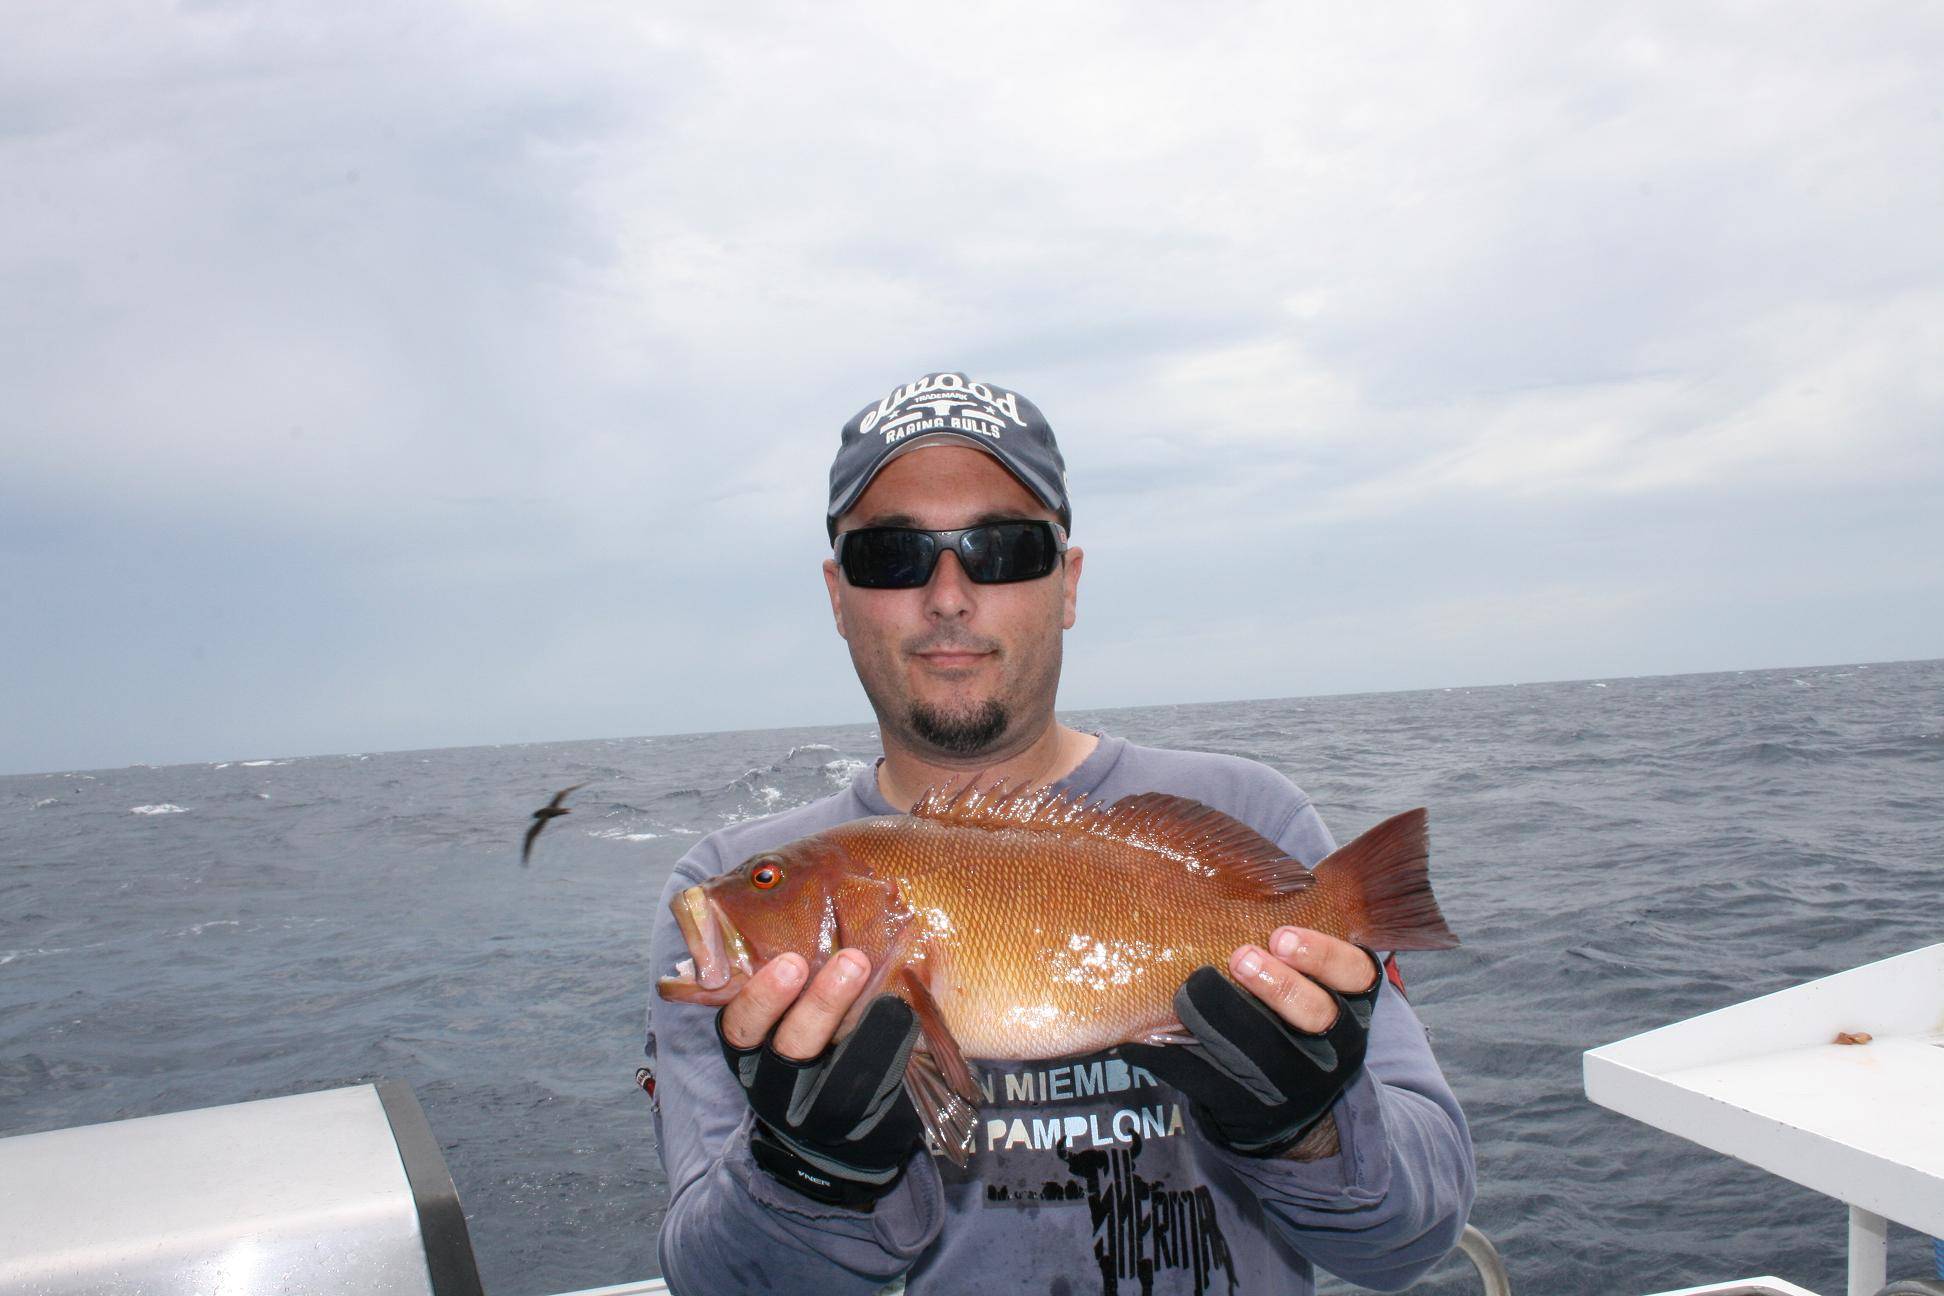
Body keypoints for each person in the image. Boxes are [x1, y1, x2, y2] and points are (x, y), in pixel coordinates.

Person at [645, 372, 1475, 1295]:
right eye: (892, 554)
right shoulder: (714, 885)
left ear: (1067, 583)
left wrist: (1311, 1128)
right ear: (838, 597)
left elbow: (1412, 1243)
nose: (949, 595)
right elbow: (714, 1281)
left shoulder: (1255, 814)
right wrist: (807, 1177)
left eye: (1002, 548)